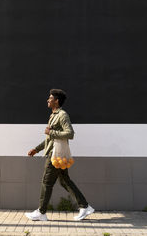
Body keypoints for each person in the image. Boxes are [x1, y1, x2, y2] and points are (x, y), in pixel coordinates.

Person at [25, 89, 94, 221]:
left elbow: (70, 133)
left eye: (50, 98)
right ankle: (85, 206)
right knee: (64, 181)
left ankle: (41, 212)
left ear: (56, 101)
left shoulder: (62, 115)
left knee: (47, 182)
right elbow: (49, 139)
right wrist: (36, 149)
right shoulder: (54, 115)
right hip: (55, 153)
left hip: (55, 155)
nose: (48, 100)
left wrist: (52, 133)